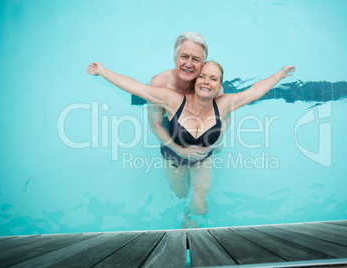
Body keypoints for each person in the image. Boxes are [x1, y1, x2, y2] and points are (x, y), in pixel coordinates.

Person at [87, 61, 295, 228]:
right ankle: (184, 203)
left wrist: (278, 75)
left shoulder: (223, 105)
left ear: (218, 86)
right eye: (202, 76)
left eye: (213, 78)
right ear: (195, 81)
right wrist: (103, 71)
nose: (206, 82)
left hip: (203, 160)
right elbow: (137, 88)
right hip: (174, 159)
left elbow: (253, 93)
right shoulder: (174, 100)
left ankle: (187, 214)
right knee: (179, 193)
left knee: (200, 207)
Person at [148, 32, 224, 161]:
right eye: (184, 56)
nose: (188, 64)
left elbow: (224, 118)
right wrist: (179, 150)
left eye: (195, 59)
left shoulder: (211, 88)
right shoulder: (159, 84)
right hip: (172, 133)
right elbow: (155, 124)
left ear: (202, 64)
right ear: (175, 58)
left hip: (202, 139)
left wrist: (213, 145)